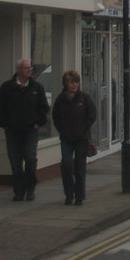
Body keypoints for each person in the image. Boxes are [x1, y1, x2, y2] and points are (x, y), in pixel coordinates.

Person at [0, 58, 50, 201]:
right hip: (13, 131)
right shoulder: (7, 88)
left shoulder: (36, 88)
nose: (29, 71)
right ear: (18, 70)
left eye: (30, 68)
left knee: (31, 159)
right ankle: (18, 191)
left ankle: (30, 188)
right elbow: (0, 107)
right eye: (26, 68)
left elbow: (43, 108)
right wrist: (4, 124)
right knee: (15, 162)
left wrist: (38, 122)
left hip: (30, 130)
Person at [51, 70, 97, 206]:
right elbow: (55, 117)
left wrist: (84, 128)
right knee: (66, 164)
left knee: (80, 167)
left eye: (76, 82)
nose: (74, 85)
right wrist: (62, 130)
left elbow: (92, 115)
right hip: (66, 138)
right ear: (65, 84)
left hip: (81, 138)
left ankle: (79, 196)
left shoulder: (84, 98)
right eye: (71, 82)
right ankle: (69, 194)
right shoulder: (60, 99)